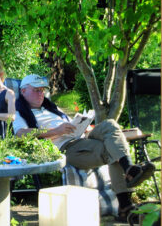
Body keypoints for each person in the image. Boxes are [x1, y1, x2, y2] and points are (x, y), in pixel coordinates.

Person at [13, 74, 155, 222]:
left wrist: (83, 126)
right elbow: (21, 134)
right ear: (23, 91)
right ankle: (126, 201)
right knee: (111, 150)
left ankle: (128, 170)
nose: (41, 93)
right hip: (68, 149)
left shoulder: (51, 107)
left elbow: (71, 125)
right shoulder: (19, 113)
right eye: (36, 90)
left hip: (82, 138)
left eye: (42, 90)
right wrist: (55, 131)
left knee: (110, 124)